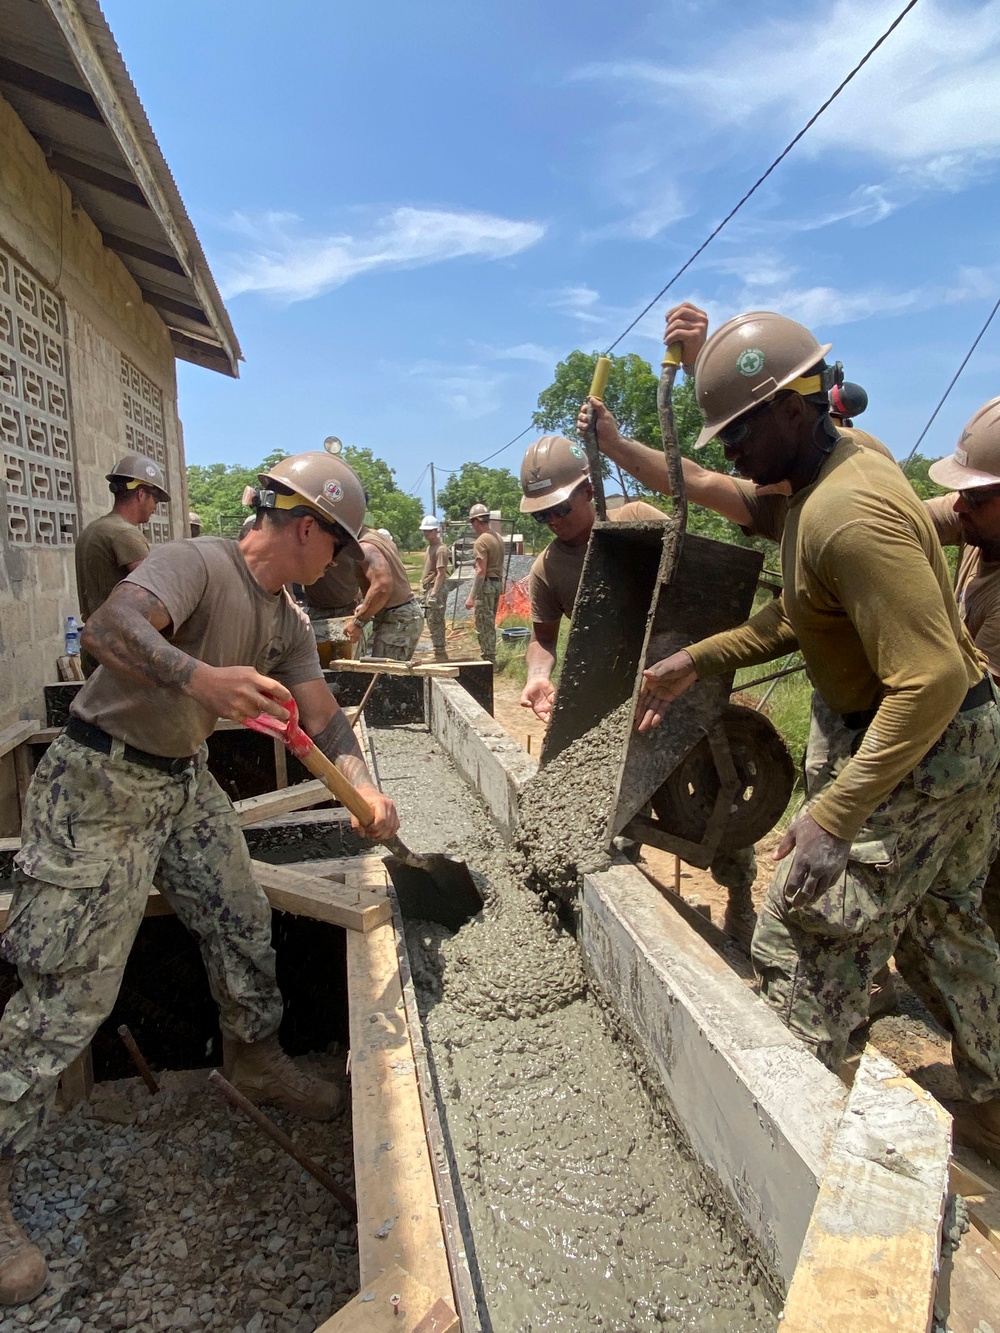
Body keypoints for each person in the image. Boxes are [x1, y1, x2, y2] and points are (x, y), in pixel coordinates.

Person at [0, 451, 399, 1305]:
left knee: (239, 914)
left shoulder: (284, 619)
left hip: (181, 782)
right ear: (306, 528)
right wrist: (200, 677)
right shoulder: (194, 563)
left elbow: (320, 713)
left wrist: (363, 783)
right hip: (100, 783)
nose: (335, 564)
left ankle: (255, 1056)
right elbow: (111, 629)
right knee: (68, 996)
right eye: (335, 546)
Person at [634, 309, 1000, 1165]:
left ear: (801, 406)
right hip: (961, 734)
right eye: (720, 434)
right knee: (943, 924)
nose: (729, 454)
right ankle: (995, 1101)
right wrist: (699, 656)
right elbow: (802, 611)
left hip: (926, 739)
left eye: (741, 430)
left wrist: (835, 814)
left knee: (803, 933)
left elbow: (931, 680)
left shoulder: (850, 513)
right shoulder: (822, 474)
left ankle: (774, 1147)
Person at [518, 434, 758, 943]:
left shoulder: (633, 520)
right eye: (542, 516)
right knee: (615, 811)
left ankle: (740, 900)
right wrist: (538, 675)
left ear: (588, 489)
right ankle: (622, 903)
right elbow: (542, 638)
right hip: (617, 704)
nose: (554, 521)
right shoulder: (547, 568)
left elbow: (693, 591)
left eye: (560, 508)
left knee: (717, 801)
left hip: (682, 681)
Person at [926, 398, 1000, 944]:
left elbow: (978, 706)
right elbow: (890, 518)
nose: (959, 508)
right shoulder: (983, 527)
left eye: (974, 497)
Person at [74, 453, 170, 676]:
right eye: (155, 498)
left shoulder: (93, 530)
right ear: (141, 494)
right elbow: (153, 594)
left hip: (94, 649)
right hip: (119, 651)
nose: (155, 507)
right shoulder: (125, 534)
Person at [343, 526, 423, 661]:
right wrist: (366, 606)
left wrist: (358, 623)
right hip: (401, 615)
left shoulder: (365, 547)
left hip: (397, 619)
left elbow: (382, 587)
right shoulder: (377, 537)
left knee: (384, 677)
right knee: (383, 673)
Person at [465, 503, 504, 664]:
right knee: (490, 621)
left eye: (472, 522)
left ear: (475, 521)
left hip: (486, 586)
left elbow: (481, 571)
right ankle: (490, 656)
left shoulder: (481, 542)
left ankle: (488, 660)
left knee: (484, 624)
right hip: (496, 584)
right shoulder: (497, 537)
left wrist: (471, 597)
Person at [420, 515, 451, 662]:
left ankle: (440, 653)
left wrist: (433, 594)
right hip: (429, 588)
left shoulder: (440, 550)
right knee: (431, 621)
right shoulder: (430, 547)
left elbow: (441, 573)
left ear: (436, 531)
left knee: (436, 621)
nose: (426, 534)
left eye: (429, 531)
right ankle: (438, 651)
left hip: (436, 589)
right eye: (424, 531)